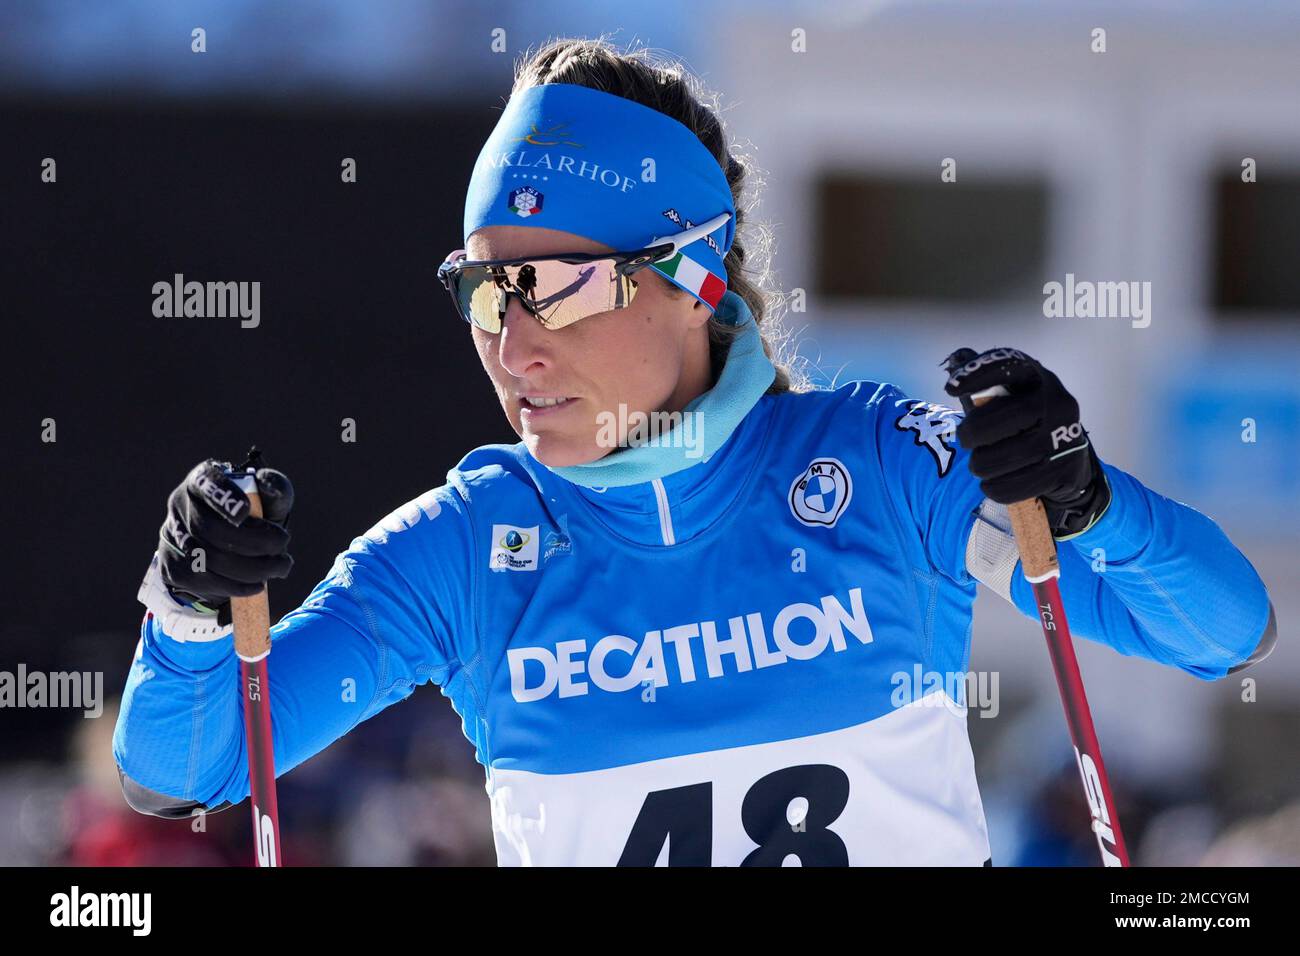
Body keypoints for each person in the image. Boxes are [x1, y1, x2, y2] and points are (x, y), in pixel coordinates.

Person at [113, 37, 1276, 866]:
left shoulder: (870, 463)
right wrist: (190, 608)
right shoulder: (469, 547)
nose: (509, 342)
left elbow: (1221, 631)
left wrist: (1084, 501)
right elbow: (187, 769)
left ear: (693, 277)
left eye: (551, 286)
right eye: (479, 291)